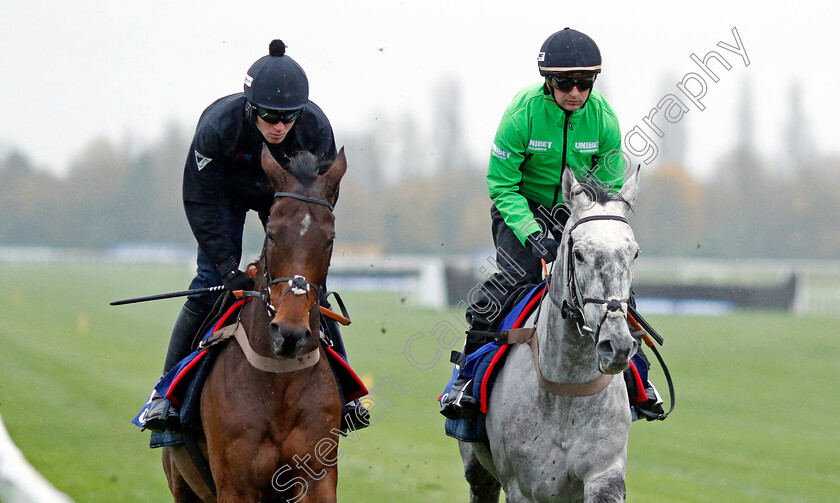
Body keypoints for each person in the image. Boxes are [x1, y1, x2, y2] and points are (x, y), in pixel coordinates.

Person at [141, 39, 367, 432]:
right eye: (268, 116)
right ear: (250, 107)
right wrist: (229, 269)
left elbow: (319, 206)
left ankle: (346, 394)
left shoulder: (315, 129)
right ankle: (163, 394)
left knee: (306, 286)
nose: (279, 126)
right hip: (223, 195)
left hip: (285, 195)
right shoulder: (217, 128)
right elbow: (200, 202)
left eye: (288, 117)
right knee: (209, 283)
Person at [440, 28, 664, 420]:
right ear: (549, 81)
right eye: (565, 83)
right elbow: (501, 184)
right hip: (521, 209)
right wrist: (533, 234)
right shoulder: (520, 114)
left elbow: (608, 185)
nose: (575, 92)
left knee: (612, 284)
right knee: (510, 285)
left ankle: (638, 380)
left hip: (578, 211)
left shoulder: (605, 119)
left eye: (584, 83)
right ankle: (467, 378)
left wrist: (585, 222)